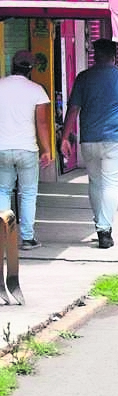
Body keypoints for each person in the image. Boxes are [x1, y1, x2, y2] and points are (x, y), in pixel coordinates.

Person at [59, 38, 118, 250]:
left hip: (90, 139)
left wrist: (65, 138)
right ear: (115, 55)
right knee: (112, 185)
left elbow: (73, 110)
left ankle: (100, 225)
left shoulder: (84, 78)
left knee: (96, 182)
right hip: (116, 139)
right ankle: (105, 230)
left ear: (94, 55)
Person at [0, 50, 52, 250]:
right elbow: (42, 124)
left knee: (3, 190)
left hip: (2, 148)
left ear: (12, 64)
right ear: (30, 69)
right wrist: (46, 149)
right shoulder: (36, 90)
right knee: (28, 193)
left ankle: (4, 235)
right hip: (27, 149)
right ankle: (28, 238)